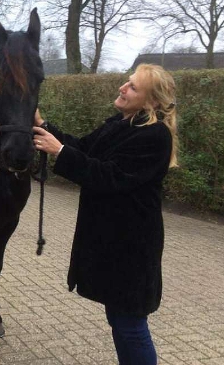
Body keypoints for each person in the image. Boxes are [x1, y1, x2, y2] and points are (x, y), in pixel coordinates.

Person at [32, 63, 178, 365]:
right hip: (114, 244)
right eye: (127, 82)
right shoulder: (121, 124)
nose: (123, 88)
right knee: (120, 320)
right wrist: (42, 124)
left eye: (133, 87)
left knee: (131, 325)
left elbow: (110, 176)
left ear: (151, 101)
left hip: (132, 246)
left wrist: (59, 152)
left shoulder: (154, 136)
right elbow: (84, 148)